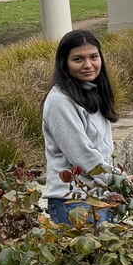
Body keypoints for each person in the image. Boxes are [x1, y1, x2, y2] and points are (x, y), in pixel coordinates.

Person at [42, 30, 119, 225]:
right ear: (64, 63)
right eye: (78, 59)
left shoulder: (93, 92)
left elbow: (103, 150)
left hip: (99, 197)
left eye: (94, 57)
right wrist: (118, 181)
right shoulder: (60, 101)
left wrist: (116, 180)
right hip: (73, 203)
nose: (88, 65)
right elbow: (83, 155)